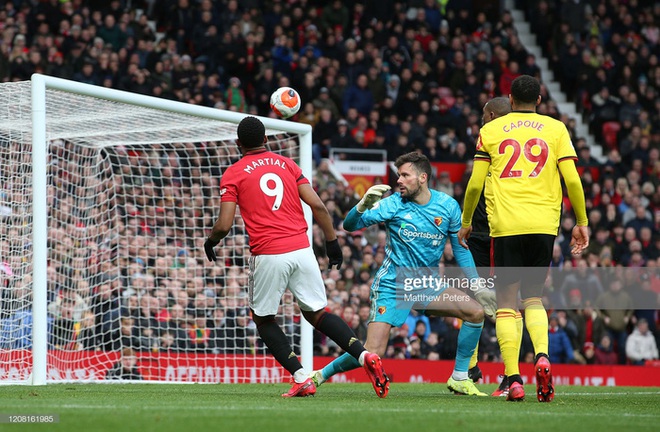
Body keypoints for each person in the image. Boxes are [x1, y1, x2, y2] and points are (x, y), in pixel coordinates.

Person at [204, 116, 388, 398]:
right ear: (266, 139)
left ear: (238, 144)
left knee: (263, 318)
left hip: (268, 252)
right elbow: (317, 205)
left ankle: (302, 377)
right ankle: (364, 356)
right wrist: (332, 243)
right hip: (302, 249)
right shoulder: (287, 164)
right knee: (317, 313)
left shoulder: (233, 173)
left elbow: (224, 224)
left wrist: (212, 240)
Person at [312, 152, 497, 397]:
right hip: (393, 284)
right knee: (372, 351)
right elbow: (349, 225)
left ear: (422, 178)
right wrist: (361, 206)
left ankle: (460, 377)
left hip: (427, 284)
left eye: (405, 175)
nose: (399, 180)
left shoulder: (448, 206)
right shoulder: (392, 203)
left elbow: (461, 250)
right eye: (399, 175)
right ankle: (319, 375)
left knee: (474, 312)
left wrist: (478, 285)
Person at [459, 75, 589, 402]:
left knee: (506, 306)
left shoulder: (490, 131)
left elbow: (475, 185)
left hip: (506, 227)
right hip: (544, 226)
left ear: (510, 99)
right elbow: (572, 180)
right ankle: (542, 357)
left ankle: (513, 378)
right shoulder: (556, 129)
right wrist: (581, 221)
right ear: (540, 101)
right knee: (534, 299)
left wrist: (465, 222)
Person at [467, 97, 512, 395]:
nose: (481, 120)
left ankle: (469, 369)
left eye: (483, 115)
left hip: (488, 233)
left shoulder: (489, 138)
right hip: (516, 232)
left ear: (492, 115)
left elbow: (474, 185)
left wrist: (464, 220)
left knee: (475, 301)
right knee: (512, 305)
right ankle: (510, 375)